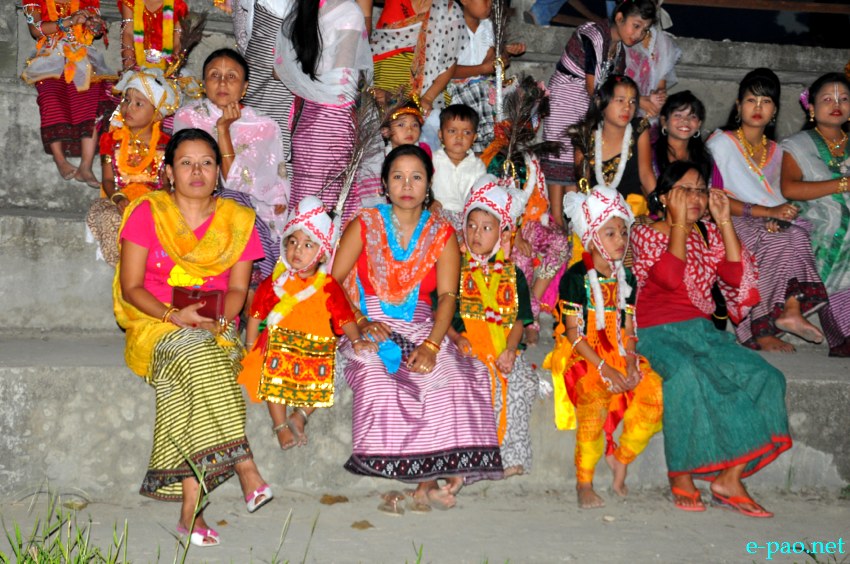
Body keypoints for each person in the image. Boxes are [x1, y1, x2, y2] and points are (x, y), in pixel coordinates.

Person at [113, 128, 273, 547]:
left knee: (195, 376)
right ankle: (244, 466)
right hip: (157, 324)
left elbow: (239, 291)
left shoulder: (238, 221)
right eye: (186, 162)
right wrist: (173, 314)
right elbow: (132, 286)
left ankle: (191, 513)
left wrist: (218, 318)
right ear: (168, 172)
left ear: (219, 171)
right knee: (200, 357)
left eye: (206, 162)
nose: (197, 171)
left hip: (217, 326)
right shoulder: (148, 213)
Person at [331, 145, 503, 513]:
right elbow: (332, 284)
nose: (407, 185)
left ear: (429, 185)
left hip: (425, 327)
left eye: (416, 177)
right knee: (378, 373)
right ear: (384, 183)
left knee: (454, 372)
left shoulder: (442, 235)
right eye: (398, 176)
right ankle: (423, 480)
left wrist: (432, 345)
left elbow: (446, 297)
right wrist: (360, 322)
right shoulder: (364, 224)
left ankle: (431, 478)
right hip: (369, 325)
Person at [631, 160, 791, 517]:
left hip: (702, 331)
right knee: (687, 374)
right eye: (685, 189)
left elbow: (735, 277)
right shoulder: (645, 231)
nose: (696, 197)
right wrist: (678, 224)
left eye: (701, 190)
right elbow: (670, 278)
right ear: (665, 196)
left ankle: (728, 479)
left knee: (767, 377)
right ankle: (681, 472)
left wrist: (724, 221)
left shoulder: (709, 233)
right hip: (656, 333)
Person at [548, 185, 662, 509]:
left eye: (623, 232)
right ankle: (584, 482)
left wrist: (627, 363)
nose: (620, 240)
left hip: (618, 353)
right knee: (594, 403)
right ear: (593, 236)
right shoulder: (575, 277)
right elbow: (574, 335)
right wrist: (605, 368)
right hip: (584, 356)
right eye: (610, 233)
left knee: (653, 393)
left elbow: (628, 327)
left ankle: (621, 458)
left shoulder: (626, 276)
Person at [239, 197, 377, 450]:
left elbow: (344, 316)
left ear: (322, 252)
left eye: (307, 244)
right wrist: (249, 344)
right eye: (292, 242)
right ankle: (280, 425)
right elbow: (257, 313)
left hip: (316, 348)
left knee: (325, 380)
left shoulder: (327, 285)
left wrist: (356, 340)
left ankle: (300, 415)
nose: (297, 250)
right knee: (273, 382)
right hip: (279, 345)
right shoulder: (276, 282)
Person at [706, 68, 826, 352]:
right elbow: (715, 197)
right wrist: (767, 214)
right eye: (751, 100)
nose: (758, 108)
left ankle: (790, 311)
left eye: (766, 101)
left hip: (765, 218)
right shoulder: (720, 143)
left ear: (774, 110)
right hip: (729, 218)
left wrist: (780, 217)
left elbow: (782, 198)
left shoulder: (779, 151)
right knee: (768, 240)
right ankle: (759, 331)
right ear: (738, 105)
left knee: (793, 235)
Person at [173, 48, 289, 283]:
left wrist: (223, 129)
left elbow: (240, 185)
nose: (222, 82)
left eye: (231, 76)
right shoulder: (188, 117)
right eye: (215, 75)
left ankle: (242, 293)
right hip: (194, 203)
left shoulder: (265, 126)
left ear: (245, 87)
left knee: (234, 201)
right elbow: (186, 174)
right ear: (204, 83)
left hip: (248, 210)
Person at [449, 175, 539, 478]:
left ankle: (511, 455)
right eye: (472, 226)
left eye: (487, 228)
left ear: (501, 234)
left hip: (503, 348)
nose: (477, 234)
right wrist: (458, 339)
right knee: (472, 383)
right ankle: (472, 459)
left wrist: (511, 351)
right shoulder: (455, 269)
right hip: (467, 347)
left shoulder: (514, 274)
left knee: (520, 382)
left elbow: (519, 321)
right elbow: (443, 315)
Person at [541, 0, 655, 226]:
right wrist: (637, 100)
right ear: (619, 17)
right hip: (566, 98)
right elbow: (593, 86)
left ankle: (574, 224)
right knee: (558, 161)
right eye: (636, 25)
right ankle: (556, 224)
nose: (639, 34)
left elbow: (613, 89)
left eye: (644, 30)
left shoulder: (619, 50)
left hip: (589, 107)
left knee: (577, 168)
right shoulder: (593, 33)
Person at [275, 0, 374, 223]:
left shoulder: (304, 8)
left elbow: (279, 70)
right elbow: (343, 82)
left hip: (308, 120)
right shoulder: (348, 11)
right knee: (328, 207)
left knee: (306, 200)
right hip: (334, 122)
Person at [781, 72, 850, 357]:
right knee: (836, 223)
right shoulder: (798, 145)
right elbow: (790, 187)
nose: (837, 104)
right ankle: (842, 333)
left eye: (844, 98)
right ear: (811, 108)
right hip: (818, 220)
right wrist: (841, 184)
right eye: (827, 99)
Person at [86, 69, 179, 267]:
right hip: (118, 201)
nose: (129, 107)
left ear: (156, 113)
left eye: (139, 103)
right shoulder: (110, 140)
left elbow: (166, 184)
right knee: (110, 217)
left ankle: (153, 268)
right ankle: (124, 268)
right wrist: (119, 199)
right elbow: (108, 180)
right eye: (127, 100)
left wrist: (152, 203)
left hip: (153, 203)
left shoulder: (167, 144)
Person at [21, 0, 112, 187]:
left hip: (81, 55)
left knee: (91, 95)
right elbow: (35, 30)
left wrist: (94, 26)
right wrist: (68, 21)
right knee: (50, 96)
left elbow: (96, 30)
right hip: (49, 56)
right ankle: (60, 160)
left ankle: (86, 166)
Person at [447, 0, 525, 152]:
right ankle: (482, 148)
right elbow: (447, 70)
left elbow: (492, 62)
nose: (490, 4)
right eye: (485, 0)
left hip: (483, 85)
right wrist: (482, 68)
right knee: (480, 91)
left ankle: (493, 150)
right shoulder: (452, 26)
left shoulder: (488, 26)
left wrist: (505, 53)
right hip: (458, 87)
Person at [573, 75, 653, 217]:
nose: (627, 107)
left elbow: (646, 175)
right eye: (620, 100)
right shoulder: (584, 136)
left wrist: (662, 207)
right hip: (595, 215)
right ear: (600, 103)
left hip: (633, 214)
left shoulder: (639, 130)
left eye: (632, 102)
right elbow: (582, 185)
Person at [370, 0, 465, 118]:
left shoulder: (450, 9)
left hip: (425, 86)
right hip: (382, 78)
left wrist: (428, 98)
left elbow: (449, 63)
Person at [431, 104, 487, 231]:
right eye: (452, 131)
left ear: (474, 137)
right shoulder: (432, 160)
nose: (459, 137)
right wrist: (430, 201)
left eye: (466, 132)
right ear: (440, 134)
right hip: (436, 216)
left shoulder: (478, 166)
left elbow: (479, 199)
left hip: (465, 220)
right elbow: (422, 186)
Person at [623, 22, 680, 118]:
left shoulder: (662, 42)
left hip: (647, 112)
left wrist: (659, 95)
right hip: (620, 106)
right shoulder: (622, 39)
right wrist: (637, 100)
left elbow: (661, 85)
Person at [118, 0, 188, 71]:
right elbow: (128, 33)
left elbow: (177, 43)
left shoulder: (178, 5)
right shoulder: (130, 2)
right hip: (136, 64)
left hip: (166, 66)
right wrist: (129, 64)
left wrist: (173, 66)